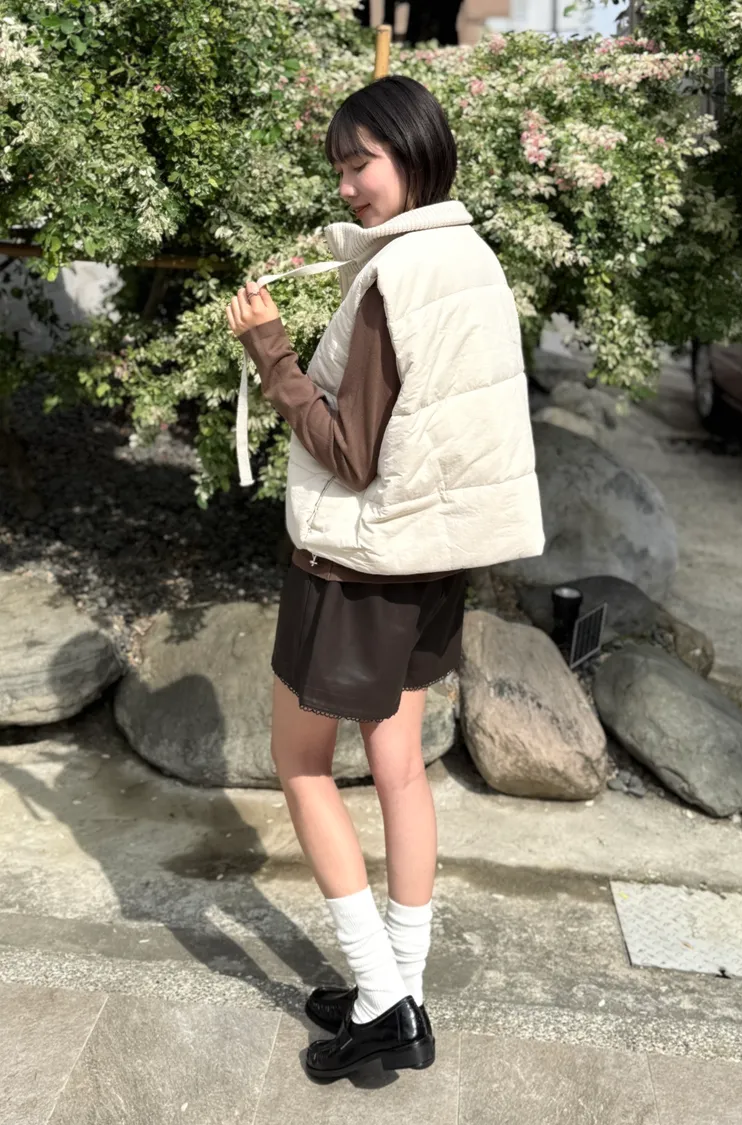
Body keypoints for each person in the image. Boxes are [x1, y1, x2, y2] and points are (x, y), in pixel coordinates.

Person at [226, 75, 544, 1081]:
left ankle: (379, 1000)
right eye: (340, 168)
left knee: (301, 764)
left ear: (412, 152)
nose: (348, 186)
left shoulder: (393, 279)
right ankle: (399, 992)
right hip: (430, 561)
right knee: (402, 769)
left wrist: (270, 350)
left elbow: (349, 452)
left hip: (357, 566)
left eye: (360, 164)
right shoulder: (471, 258)